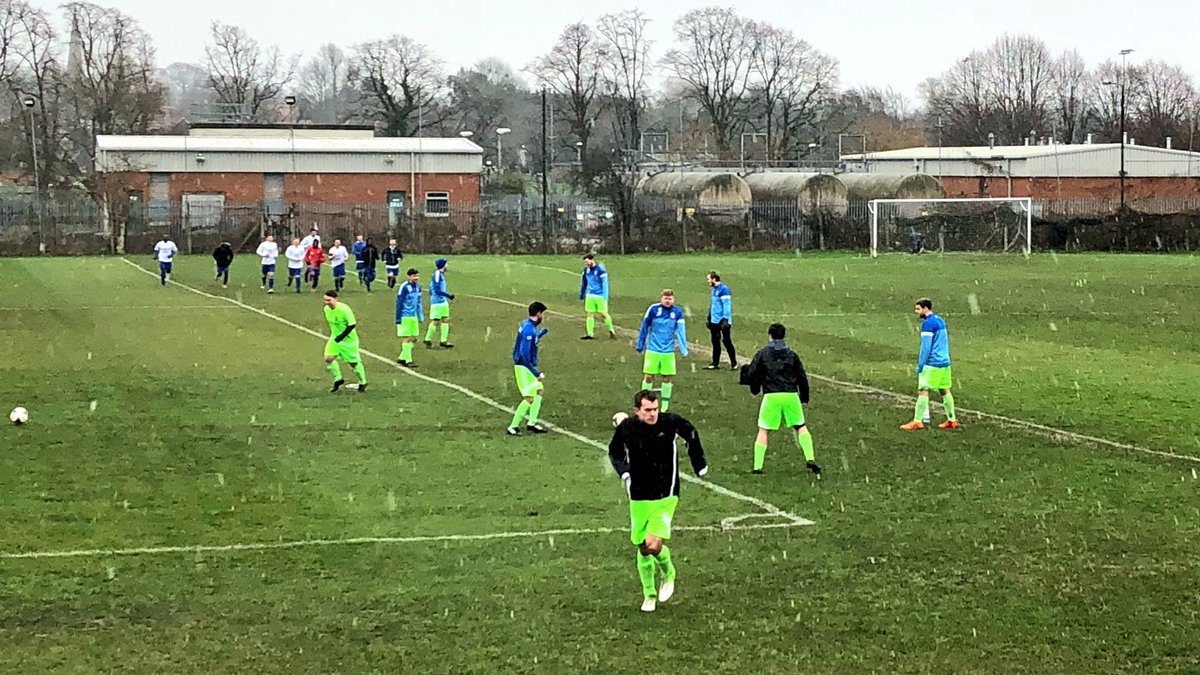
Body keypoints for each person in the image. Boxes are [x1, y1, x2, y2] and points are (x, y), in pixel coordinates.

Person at [608, 390, 708, 613]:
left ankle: (668, 571)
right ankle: (649, 594)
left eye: (655, 409)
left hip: (666, 493)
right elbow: (614, 451)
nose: (653, 414)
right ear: (637, 411)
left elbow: (691, 433)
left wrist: (698, 462)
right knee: (643, 547)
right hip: (639, 494)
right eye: (648, 410)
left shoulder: (670, 422)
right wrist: (624, 472)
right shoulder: (628, 427)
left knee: (653, 544)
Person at [741, 323, 821, 476]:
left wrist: (754, 387)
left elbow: (752, 373)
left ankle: (758, 467)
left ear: (770, 336)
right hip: (791, 395)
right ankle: (810, 459)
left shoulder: (763, 354)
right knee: (801, 427)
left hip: (771, 396)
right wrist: (804, 395)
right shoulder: (791, 355)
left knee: (763, 430)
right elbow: (801, 376)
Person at [902, 298, 960, 431]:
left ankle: (917, 421)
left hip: (932, 363)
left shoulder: (928, 324)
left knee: (923, 390)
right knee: (944, 389)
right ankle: (952, 420)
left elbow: (926, 346)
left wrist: (921, 364)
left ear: (925, 308)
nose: (917, 312)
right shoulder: (940, 320)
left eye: (918, 309)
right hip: (945, 362)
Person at [636, 289, 688, 413]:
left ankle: (664, 406)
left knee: (666, 378)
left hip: (668, 352)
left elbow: (681, 331)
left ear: (673, 299)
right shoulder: (653, 310)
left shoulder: (677, 313)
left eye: (670, 298)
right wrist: (640, 343)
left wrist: (683, 348)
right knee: (648, 377)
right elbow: (645, 327)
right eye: (665, 298)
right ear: (661, 299)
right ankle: (645, 401)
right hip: (653, 350)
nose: (667, 301)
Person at [508, 301, 549, 436]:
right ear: (538, 314)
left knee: (539, 391)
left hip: (526, 366)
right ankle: (513, 427)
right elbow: (523, 353)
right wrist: (535, 372)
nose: (543, 317)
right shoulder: (528, 330)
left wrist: (540, 335)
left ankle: (532, 423)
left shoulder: (528, 326)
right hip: (523, 367)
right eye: (542, 314)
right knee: (529, 398)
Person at [322, 290, 367, 394]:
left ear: (336, 299)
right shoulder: (326, 309)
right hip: (335, 338)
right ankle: (338, 379)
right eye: (325, 300)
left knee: (353, 363)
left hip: (348, 340)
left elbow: (351, 325)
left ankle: (362, 382)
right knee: (328, 358)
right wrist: (336, 337)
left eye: (329, 300)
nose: (327, 303)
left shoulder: (344, 309)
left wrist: (341, 337)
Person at [578, 254, 615, 340]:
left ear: (592, 260)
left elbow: (605, 284)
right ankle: (590, 334)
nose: (586, 264)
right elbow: (584, 283)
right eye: (585, 263)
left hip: (600, 296)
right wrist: (582, 293)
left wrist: (605, 296)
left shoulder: (600, 270)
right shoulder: (586, 270)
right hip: (590, 295)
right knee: (589, 314)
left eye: (587, 262)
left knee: (604, 314)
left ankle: (611, 330)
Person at [705, 271, 736, 370]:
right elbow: (713, 305)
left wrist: (725, 320)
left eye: (709, 279)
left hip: (722, 321)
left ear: (714, 279)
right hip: (714, 321)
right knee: (715, 341)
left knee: (726, 341)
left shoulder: (724, 290)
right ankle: (715, 363)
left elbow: (726, 306)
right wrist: (709, 317)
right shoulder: (714, 290)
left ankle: (734, 363)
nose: (708, 281)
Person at [394, 268, 424, 368]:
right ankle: (408, 360)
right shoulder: (404, 287)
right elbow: (399, 302)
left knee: (414, 338)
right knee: (406, 339)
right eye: (414, 276)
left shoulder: (418, 287)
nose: (416, 278)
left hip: (413, 316)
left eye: (417, 276)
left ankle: (402, 357)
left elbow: (419, 302)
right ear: (409, 277)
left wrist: (420, 315)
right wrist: (398, 318)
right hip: (405, 316)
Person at [424, 257, 456, 349]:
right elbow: (437, 289)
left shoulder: (440, 274)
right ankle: (427, 339)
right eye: (446, 264)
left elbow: (431, 287)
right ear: (443, 265)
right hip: (437, 302)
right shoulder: (437, 274)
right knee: (436, 321)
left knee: (445, 319)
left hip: (442, 301)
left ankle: (443, 341)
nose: (447, 265)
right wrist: (448, 295)